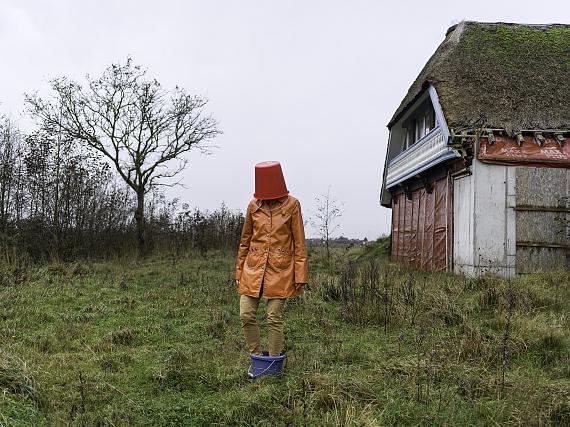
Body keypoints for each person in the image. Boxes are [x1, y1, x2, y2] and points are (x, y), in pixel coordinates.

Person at [235, 161, 309, 363]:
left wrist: (300, 274)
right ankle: (257, 358)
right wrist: (239, 272)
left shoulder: (292, 204)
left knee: (273, 317)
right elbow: (245, 241)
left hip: (281, 270)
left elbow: (299, 242)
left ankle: (274, 364)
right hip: (253, 269)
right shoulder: (253, 205)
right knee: (246, 314)